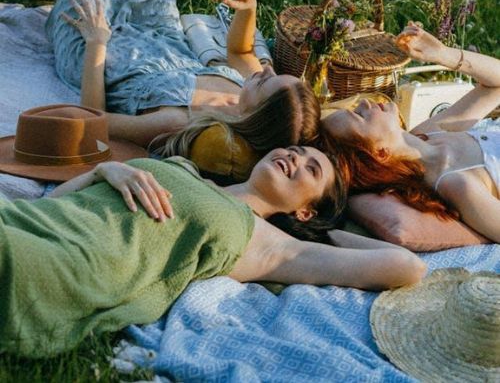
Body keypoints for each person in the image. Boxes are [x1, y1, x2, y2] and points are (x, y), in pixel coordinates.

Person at [0, 144, 426, 358]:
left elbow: (406, 266)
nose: (293, 158)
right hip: (39, 220)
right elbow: (49, 205)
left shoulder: (271, 245)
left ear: (305, 210)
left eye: (310, 168)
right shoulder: (183, 167)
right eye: (294, 150)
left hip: (77, 262)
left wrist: (329, 231)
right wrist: (103, 169)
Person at [33, 0, 321, 155]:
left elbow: (93, 121)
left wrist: (96, 42)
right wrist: (249, 7)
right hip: (159, 26)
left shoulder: (180, 121)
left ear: (255, 114)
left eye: (267, 81)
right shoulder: (244, 87)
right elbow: (240, 50)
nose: (267, 68)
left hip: (100, 46)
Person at [322, 23, 500, 243]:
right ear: (380, 153)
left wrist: (443, 55)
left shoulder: (426, 135)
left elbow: (496, 86)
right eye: (359, 116)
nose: (365, 104)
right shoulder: (456, 184)